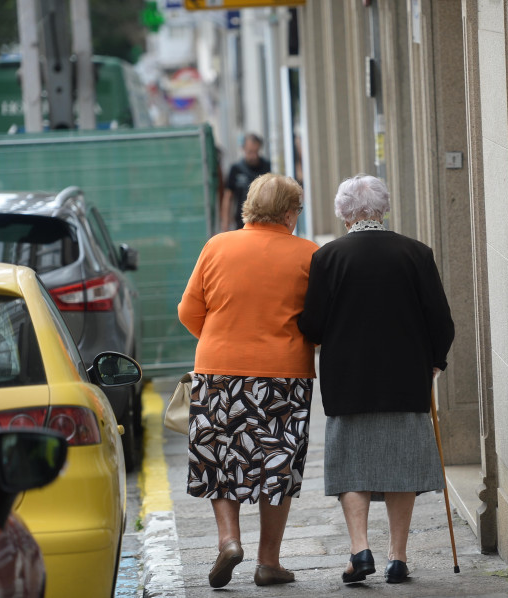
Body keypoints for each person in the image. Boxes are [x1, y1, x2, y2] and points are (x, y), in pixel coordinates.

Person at [298, 174, 455, 585]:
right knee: (402, 465)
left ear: (344, 213)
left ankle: (359, 549)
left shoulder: (327, 258)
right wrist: (435, 361)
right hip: (406, 378)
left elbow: (312, 325)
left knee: (352, 467)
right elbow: (441, 319)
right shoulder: (415, 253)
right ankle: (398, 557)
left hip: (348, 380)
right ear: (382, 208)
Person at [178, 173, 317, 588]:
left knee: (221, 455)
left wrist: (223, 341)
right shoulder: (309, 254)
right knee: (277, 463)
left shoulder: (217, 246)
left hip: (219, 369)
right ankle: (268, 562)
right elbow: (319, 320)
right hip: (285, 375)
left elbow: (189, 310)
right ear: (290, 212)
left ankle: (228, 540)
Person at [221, 133, 271, 231]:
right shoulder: (236, 169)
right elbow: (228, 197)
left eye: (256, 151)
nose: (254, 156)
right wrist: (225, 222)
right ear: (243, 149)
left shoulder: (267, 167)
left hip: (264, 222)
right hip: (241, 223)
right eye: (250, 152)